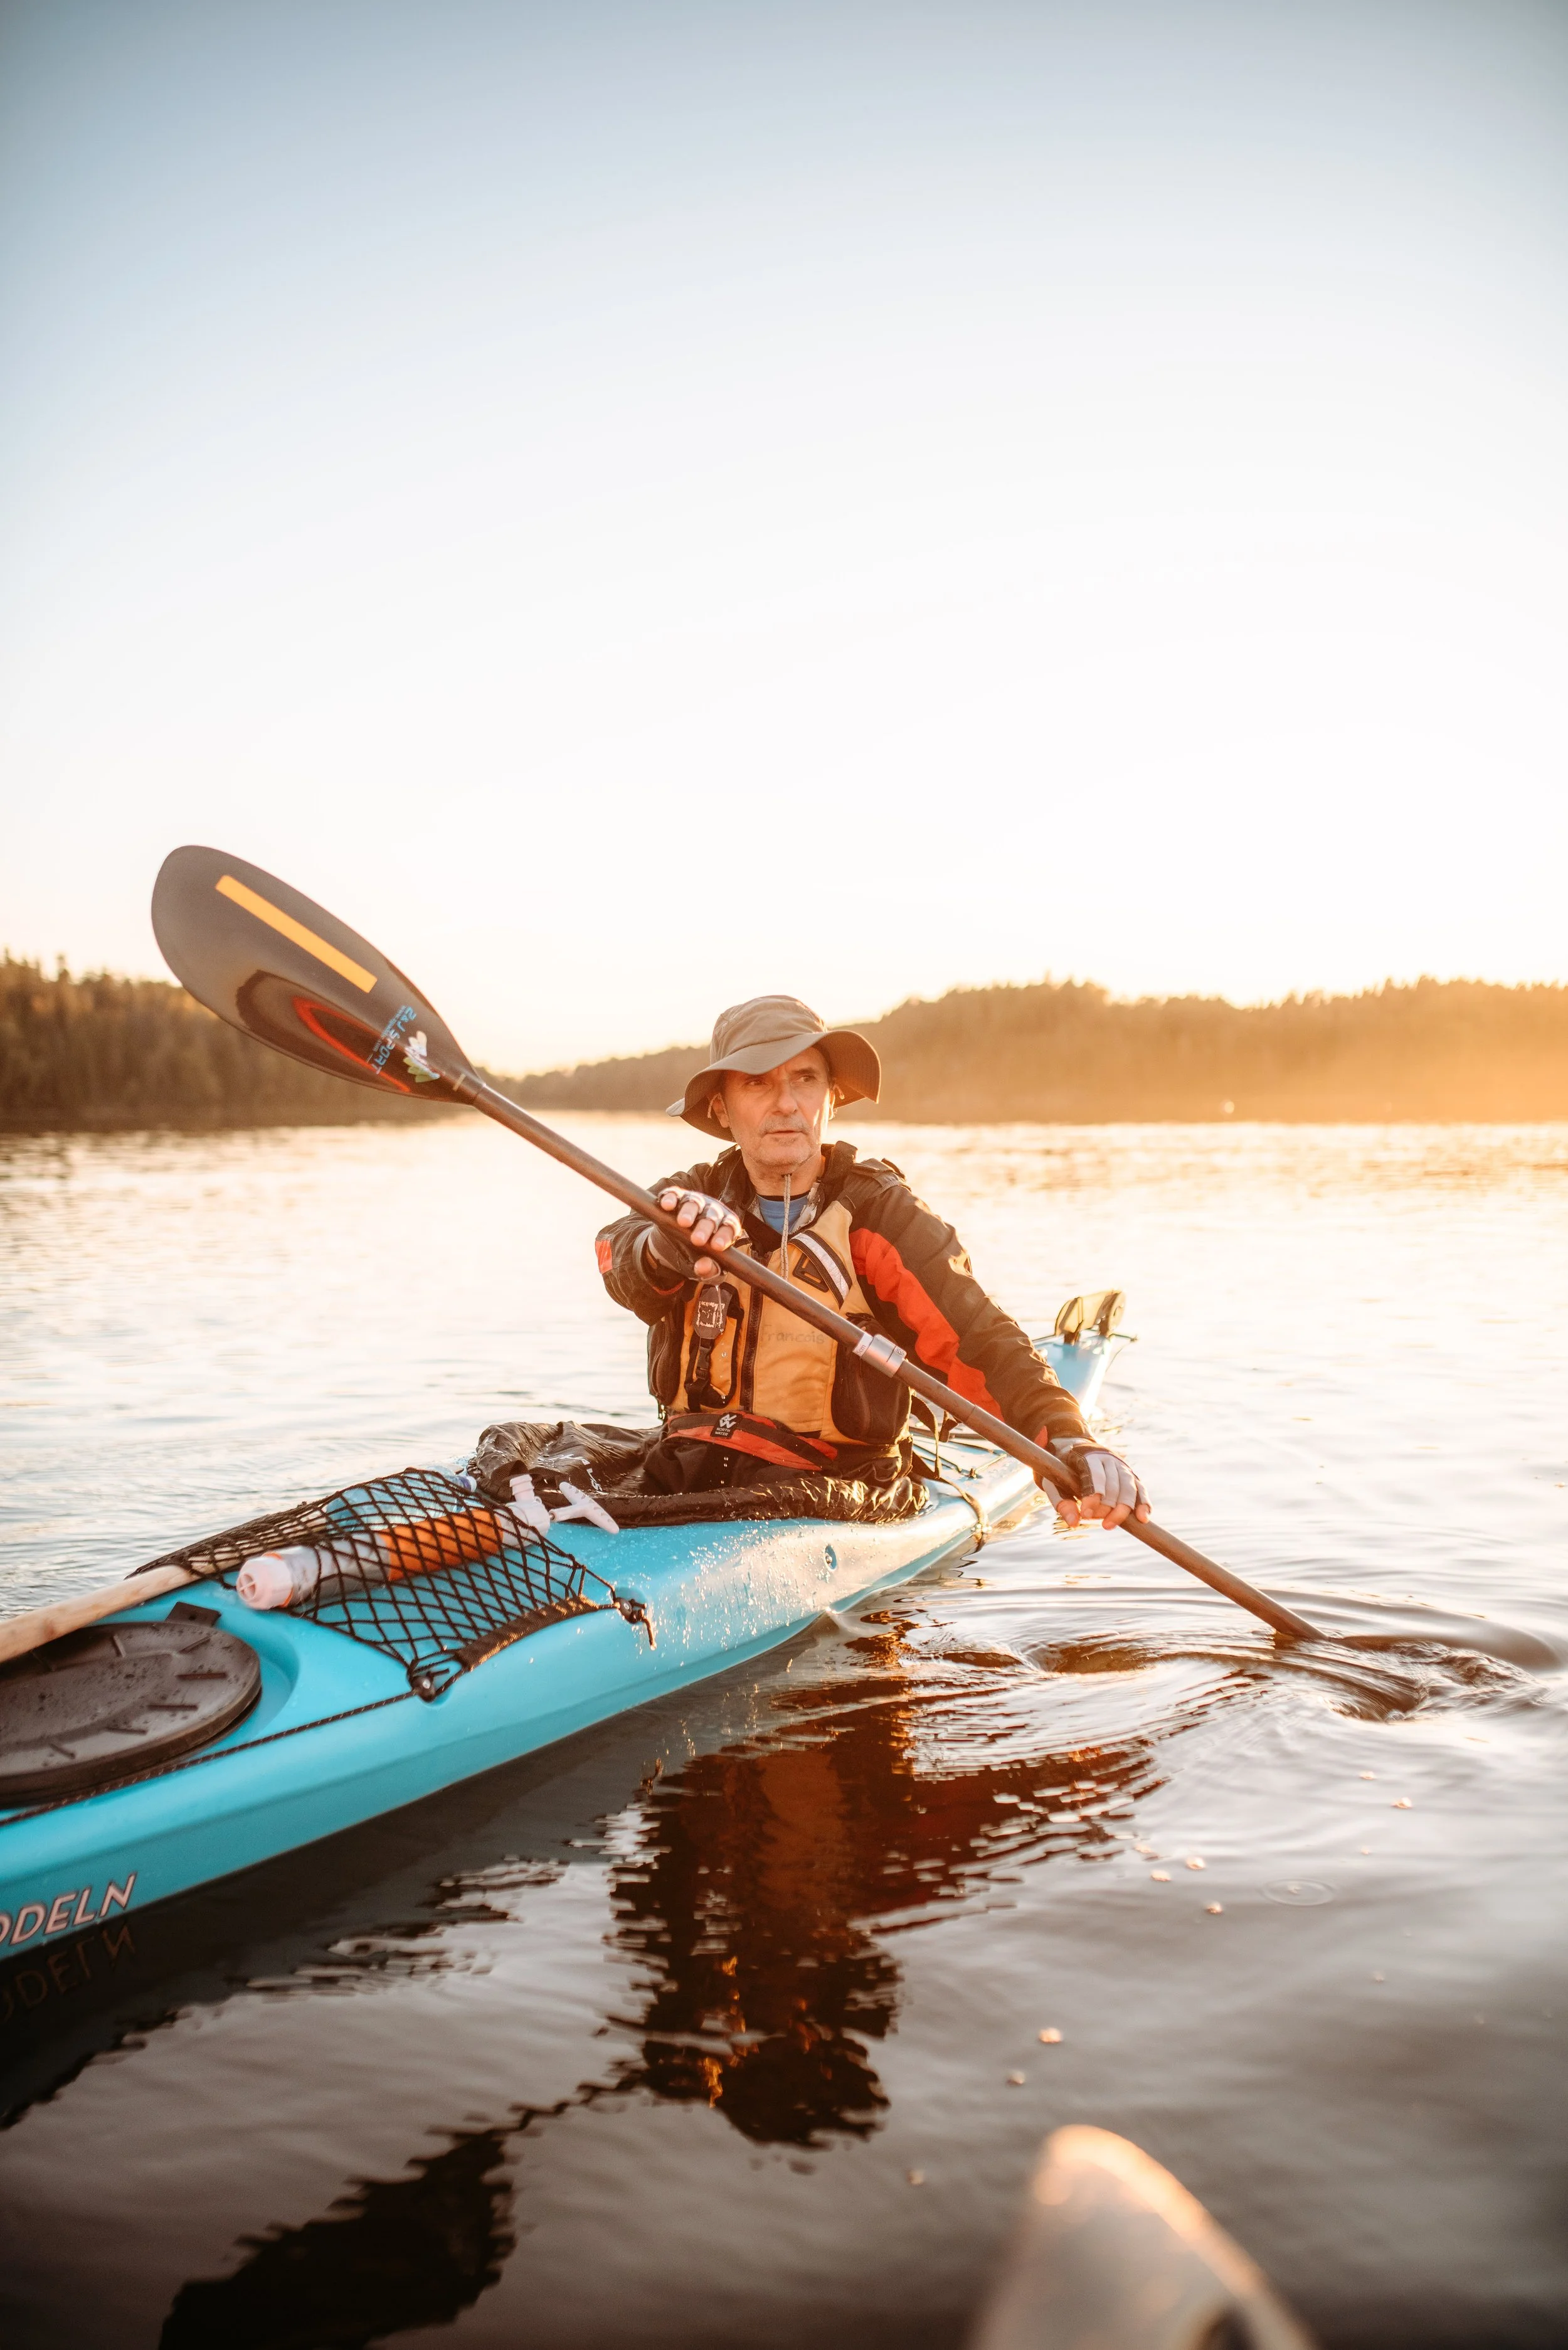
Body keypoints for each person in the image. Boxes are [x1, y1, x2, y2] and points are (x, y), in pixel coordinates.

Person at [596, 996, 1149, 1529]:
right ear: (721, 1107)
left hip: (835, 1485)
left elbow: (978, 1338)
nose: (786, 1103)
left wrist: (1064, 1434)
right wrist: (665, 1247)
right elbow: (619, 1253)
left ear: (832, 1098)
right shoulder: (685, 1200)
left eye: (805, 1079)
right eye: (757, 1082)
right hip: (687, 1468)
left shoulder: (880, 1215)